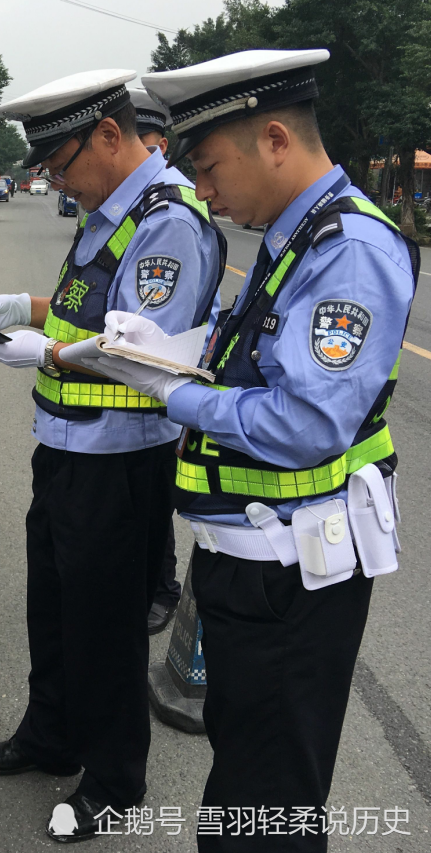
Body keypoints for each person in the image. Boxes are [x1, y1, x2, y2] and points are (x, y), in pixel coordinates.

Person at [85, 49, 418, 850]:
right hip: (258, 563)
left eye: (207, 165)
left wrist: (175, 392)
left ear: (274, 139)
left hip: (292, 577)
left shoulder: (349, 251)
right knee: (245, 782)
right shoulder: (294, 232)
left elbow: (305, 422)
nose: (200, 191)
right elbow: (261, 364)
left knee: (263, 807)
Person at [0, 69, 225, 842]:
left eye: (61, 163)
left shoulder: (167, 220)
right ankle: (51, 734)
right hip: (67, 446)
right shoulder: (112, 208)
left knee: (104, 628)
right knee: (55, 608)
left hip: (120, 458)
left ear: (110, 136)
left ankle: (112, 779)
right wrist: (20, 308)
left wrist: (44, 352)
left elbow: (137, 350)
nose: (55, 181)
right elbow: (86, 308)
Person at [130, 85, 182, 632]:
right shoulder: (131, 204)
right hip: (129, 398)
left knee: (155, 508)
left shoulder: (170, 212)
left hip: (161, 388)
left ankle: (164, 590)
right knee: (146, 507)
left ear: (159, 145)